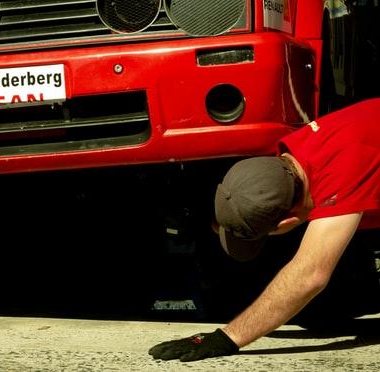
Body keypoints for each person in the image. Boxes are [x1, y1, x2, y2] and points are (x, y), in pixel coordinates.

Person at [148, 97, 380, 362]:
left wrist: (228, 336)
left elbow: (311, 275)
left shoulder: (342, 169)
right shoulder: (299, 149)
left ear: (286, 223)